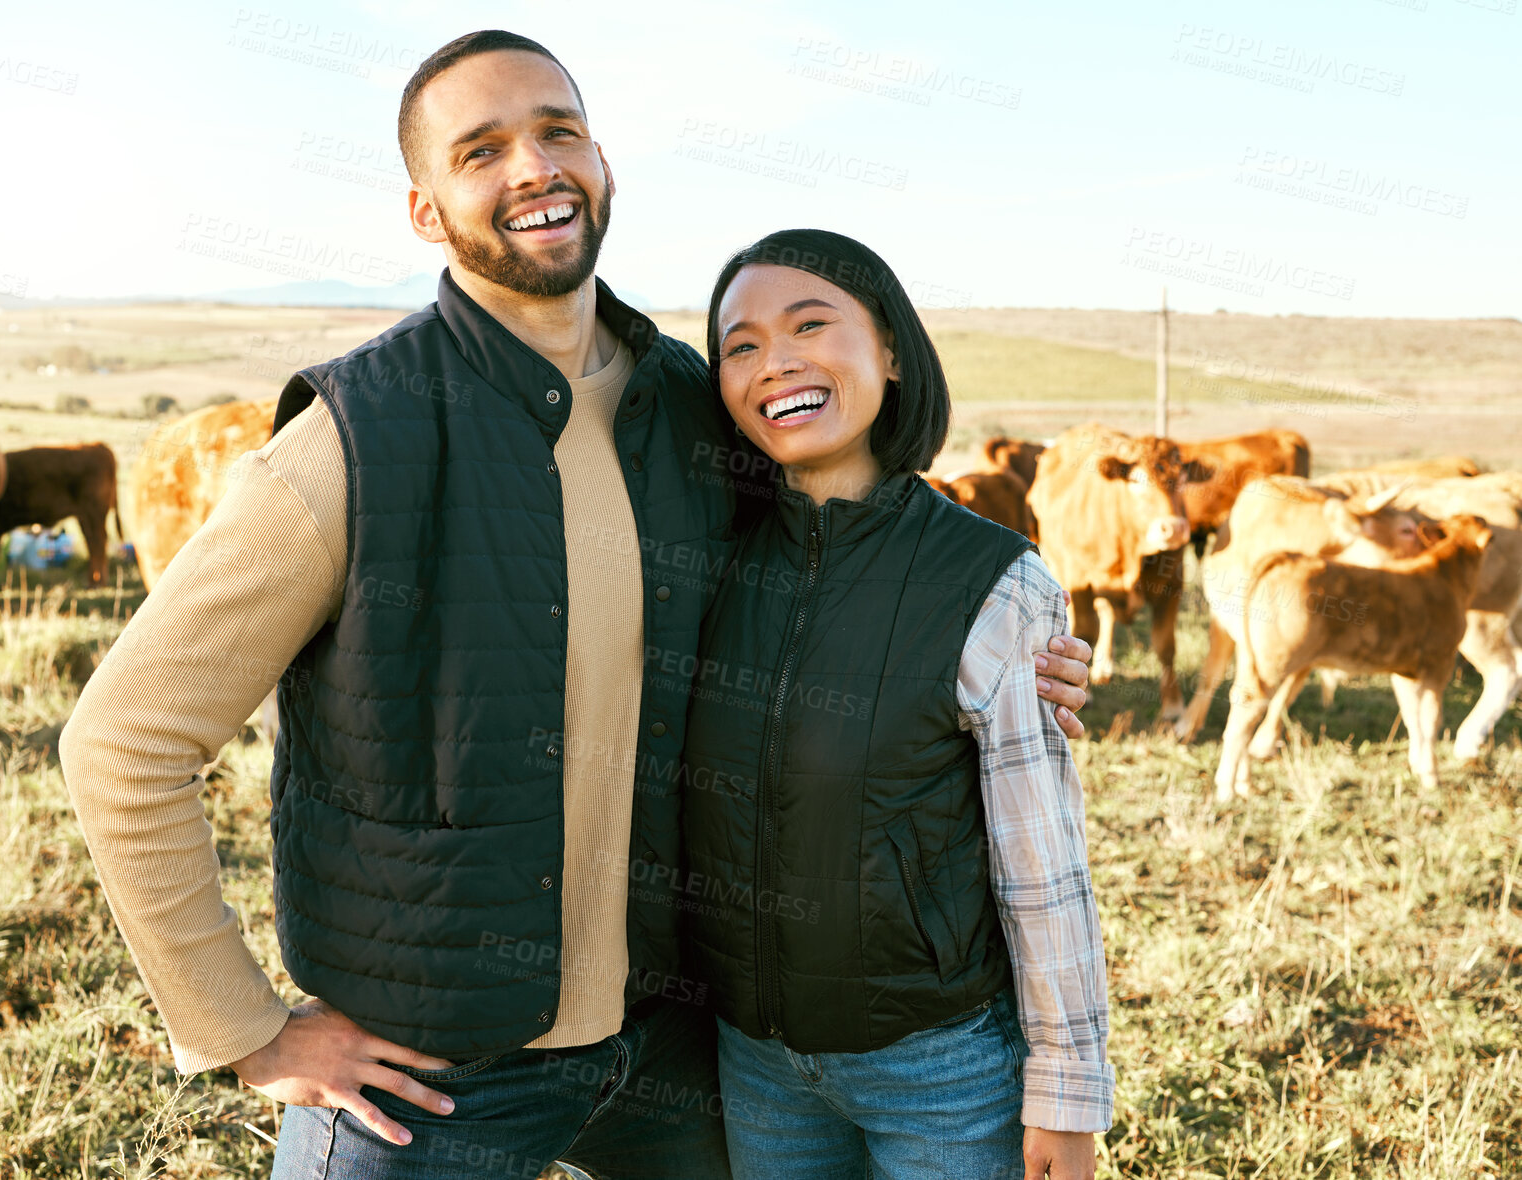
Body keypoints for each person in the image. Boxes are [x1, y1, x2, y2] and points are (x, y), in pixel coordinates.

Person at [58, 33, 1094, 1180]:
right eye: (481, 150)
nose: (532, 169)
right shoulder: (357, 440)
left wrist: (1004, 623)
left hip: (676, 1047)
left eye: (557, 133)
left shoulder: (695, 412)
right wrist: (245, 1029)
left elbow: (842, 517)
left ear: (602, 164)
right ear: (425, 210)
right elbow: (121, 740)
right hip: (430, 1075)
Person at [679, 229, 1113, 1180]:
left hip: (940, 1068)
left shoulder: (992, 581)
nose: (774, 360)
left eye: (809, 324)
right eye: (740, 345)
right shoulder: (705, 563)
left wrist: (1068, 1093)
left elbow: (1042, 860)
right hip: (755, 1064)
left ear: (890, 353)